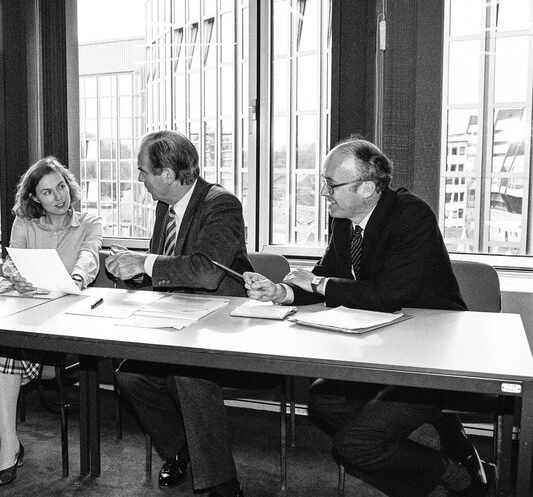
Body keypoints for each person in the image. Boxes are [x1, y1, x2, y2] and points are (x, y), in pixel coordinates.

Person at [244, 137, 493, 497]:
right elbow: (325, 276)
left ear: (366, 188)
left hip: (430, 353)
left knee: (354, 444)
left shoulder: (411, 214)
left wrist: (317, 282)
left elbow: (387, 294)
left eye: (331, 184)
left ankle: (457, 475)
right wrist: (281, 292)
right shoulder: (345, 219)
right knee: (323, 400)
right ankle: (444, 445)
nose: (324, 192)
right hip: (382, 344)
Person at [105, 130, 252, 497]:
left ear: (167, 175)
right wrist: (138, 270)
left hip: (223, 323)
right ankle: (181, 450)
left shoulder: (221, 204)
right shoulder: (165, 208)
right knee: (130, 377)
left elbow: (205, 272)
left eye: (143, 172)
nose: (140, 180)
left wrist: (147, 262)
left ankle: (222, 484)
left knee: (187, 375)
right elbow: (166, 269)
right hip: (177, 319)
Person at [0, 156, 103, 496]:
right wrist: (14, 274)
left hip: (63, 325)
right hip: (25, 312)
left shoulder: (89, 221)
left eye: (61, 187)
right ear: (36, 198)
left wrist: (77, 277)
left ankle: (3, 449)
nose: (58, 197)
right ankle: (8, 444)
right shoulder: (24, 221)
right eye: (48, 192)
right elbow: (13, 258)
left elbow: (90, 256)